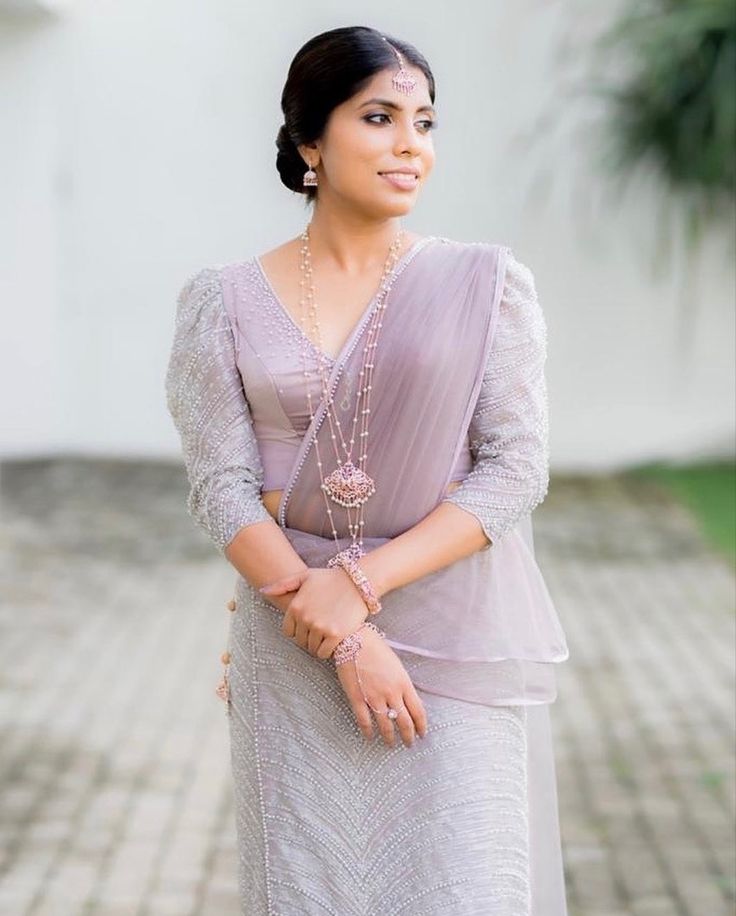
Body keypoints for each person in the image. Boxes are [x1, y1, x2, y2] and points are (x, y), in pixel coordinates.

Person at [165, 25, 570, 915]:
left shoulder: (485, 286)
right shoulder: (224, 301)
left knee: (467, 885)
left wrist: (359, 584)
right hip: (297, 643)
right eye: (379, 117)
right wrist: (343, 633)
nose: (409, 146)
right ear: (311, 142)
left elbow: (514, 470)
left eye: (425, 123)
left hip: (455, 641)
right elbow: (220, 487)